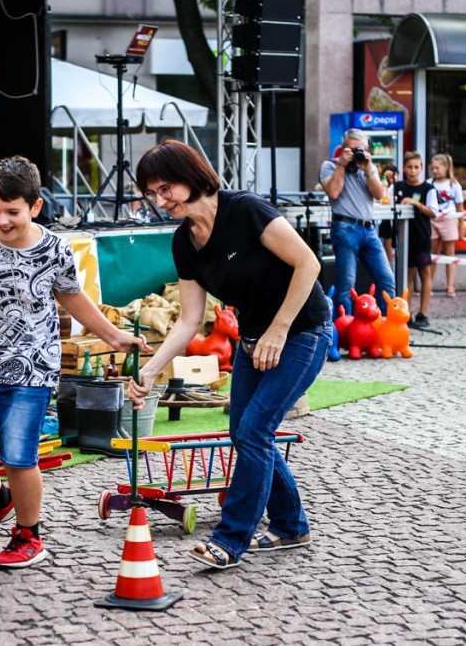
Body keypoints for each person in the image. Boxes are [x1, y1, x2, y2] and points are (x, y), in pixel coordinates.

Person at [126, 139, 332, 570]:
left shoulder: (245, 210)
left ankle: (231, 539)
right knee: (244, 431)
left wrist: (279, 329)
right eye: (152, 193)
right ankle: (292, 525)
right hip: (256, 339)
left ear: (191, 178)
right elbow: (188, 320)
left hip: (303, 332)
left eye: (166, 189)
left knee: (255, 430)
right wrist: (149, 371)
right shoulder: (184, 242)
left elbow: (308, 265)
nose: (160, 201)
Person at [0, 155, 149, 569]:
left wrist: (113, 336)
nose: (1, 220)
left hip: (32, 370)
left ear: (34, 207)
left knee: (19, 456)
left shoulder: (56, 250)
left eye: (12, 212)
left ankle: (29, 536)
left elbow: (72, 297)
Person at [320, 129, 396, 317]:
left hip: (369, 229)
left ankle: (387, 328)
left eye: (359, 149)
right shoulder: (330, 166)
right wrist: (342, 166)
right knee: (346, 284)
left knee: (386, 279)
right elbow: (334, 192)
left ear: (367, 148)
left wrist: (369, 170)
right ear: (344, 148)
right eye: (351, 149)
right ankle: (345, 332)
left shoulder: (369, 168)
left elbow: (379, 194)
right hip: (345, 229)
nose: (356, 154)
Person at [392, 151, 438, 329]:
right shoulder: (397, 187)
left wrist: (416, 204)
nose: (412, 171)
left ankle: (423, 313)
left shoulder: (428, 189)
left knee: (425, 274)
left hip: (421, 237)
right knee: (407, 276)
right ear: (404, 169)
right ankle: (407, 313)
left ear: (421, 169)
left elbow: (434, 212)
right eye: (409, 167)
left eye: (416, 167)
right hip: (403, 238)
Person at [428, 153, 465, 297]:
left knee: (450, 253)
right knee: (433, 253)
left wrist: (461, 226)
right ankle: (428, 284)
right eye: (433, 168)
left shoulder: (454, 185)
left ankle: (450, 285)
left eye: (437, 168)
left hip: (449, 219)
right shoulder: (429, 183)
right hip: (433, 219)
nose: (435, 171)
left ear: (446, 167)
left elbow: (460, 207)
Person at [376, 163, 400, 266]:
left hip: (397, 217)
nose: (392, 178)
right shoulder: (383, 186)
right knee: (387, 244)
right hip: (385, 217)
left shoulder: (399, 187)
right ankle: (389, 266)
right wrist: (383, 179)